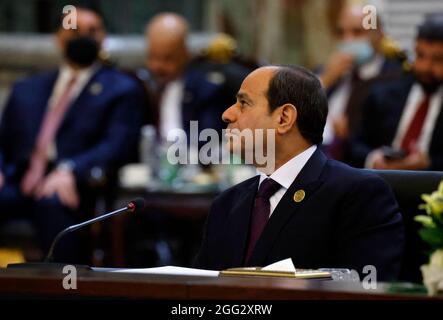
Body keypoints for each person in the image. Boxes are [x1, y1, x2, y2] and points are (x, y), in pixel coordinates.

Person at [194, 65, 404, 281]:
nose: (227, 114)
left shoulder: (357, 194)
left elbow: (368, 284)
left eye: (244, 103)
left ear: (284, 118)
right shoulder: (226, 204)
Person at [0, 8, 143, 263]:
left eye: (92, 31)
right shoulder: (27, 88)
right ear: (58, 37)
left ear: (103, 38)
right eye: (75, 30)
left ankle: (61, 287)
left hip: (76, 186)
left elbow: (117, 143)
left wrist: (70, 168)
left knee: (52, 205)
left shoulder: (121, 89)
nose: (84, 37)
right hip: (19, 181)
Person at [349, 15, 443, 171]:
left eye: (437, 59)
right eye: (420, 56)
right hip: (381, 183)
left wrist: (428, 165)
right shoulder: (383, 94)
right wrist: (373, 159)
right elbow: (353, 146)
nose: (425, 67)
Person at [318, 3, 404, 160]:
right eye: (341, 32)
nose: (348, 40)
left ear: (379, 34)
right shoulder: (328, 72)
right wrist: (325, 79)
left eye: (357, 32)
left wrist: (345, 140)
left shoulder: (397, 78)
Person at [137, 13, 242, 141]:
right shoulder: (141, 85)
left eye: (167, 58)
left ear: (185, 54)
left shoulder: (206, 88)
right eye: (152, 57)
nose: (158, 66)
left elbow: (208, 138)